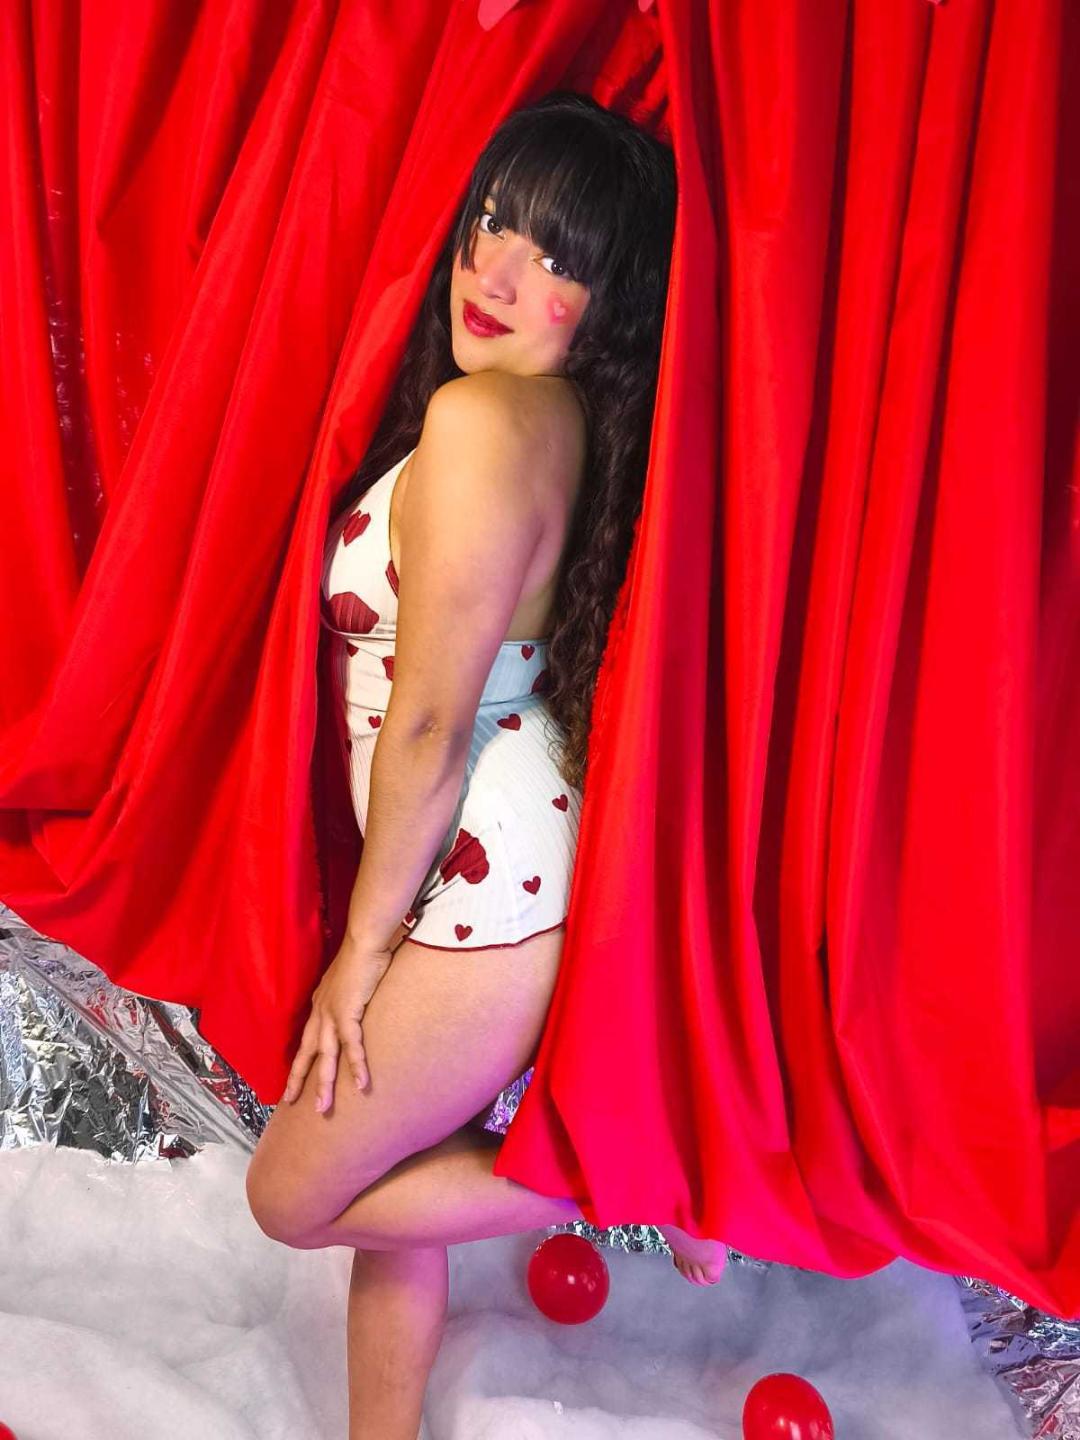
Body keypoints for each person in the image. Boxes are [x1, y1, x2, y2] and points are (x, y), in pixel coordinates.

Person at [245, 90, 726, 1440]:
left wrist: (361, 948)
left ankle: (643, 1181)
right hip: (483, 865)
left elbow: (428, 725)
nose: (498, 273)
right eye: (496, 222)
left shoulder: (477, 422)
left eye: (556, 255)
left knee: (291, 1197)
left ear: (609, 305)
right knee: (387, 1194)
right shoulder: (553, 421)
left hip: (480, 891)